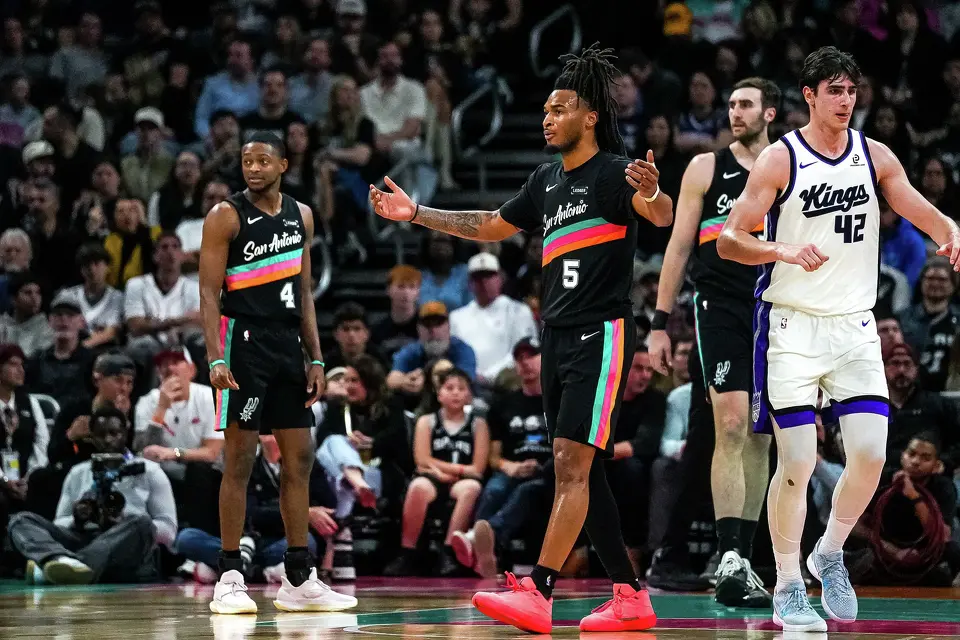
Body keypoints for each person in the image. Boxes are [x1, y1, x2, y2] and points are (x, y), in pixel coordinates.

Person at [370, 44, 672, 634]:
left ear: (589, 116)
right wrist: (417, 214)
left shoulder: (613, 172)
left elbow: (656, 215)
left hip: (601, 331)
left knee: (570, 463)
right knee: (582, 472)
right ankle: (631, 597)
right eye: (544, 110)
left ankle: (540, 589)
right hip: (556, 335)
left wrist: (656, 191)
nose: (546, 118)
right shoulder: (545, 182)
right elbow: (488, 224)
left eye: (559, 109)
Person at [718, 46, 960, 632]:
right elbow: (729, 239)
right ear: (809, 96)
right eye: (834, 91)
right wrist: (781, 250)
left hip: (854, 326)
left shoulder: (874, 155)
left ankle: (828, 551)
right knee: (798, 461)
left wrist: (950, 227)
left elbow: (913, 203)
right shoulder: (781, 159)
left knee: (873, 456)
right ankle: (786, 583)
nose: (846, 101)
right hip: (791, 325)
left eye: (851, 91)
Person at [198, 131, 357, 614]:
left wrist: (316, 357)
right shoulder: (225, 216)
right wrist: (215, 358)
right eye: (247, 160)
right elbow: (207, 294)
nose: (253, 168)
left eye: (263, 160)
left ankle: (298, 576)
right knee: (240, 459)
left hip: (289, 345)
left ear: (284, 164)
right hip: (243, 342)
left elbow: (305, 292)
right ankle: (229, 574)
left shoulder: (301, 215)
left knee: (301, 458)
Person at [648, 77, 780, 607]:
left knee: (761, 434)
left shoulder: (790, 168)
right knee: (729, 421)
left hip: (775, 306)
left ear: (770, 112)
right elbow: (678, 248)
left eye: (746, 104)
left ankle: (746, 559)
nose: (735, 112)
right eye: (731, 104)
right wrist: (659, 321)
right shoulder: (705, 167)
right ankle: (729, 555)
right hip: (719, 304)